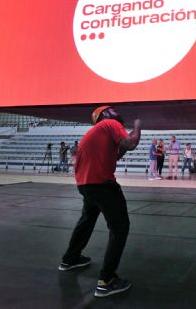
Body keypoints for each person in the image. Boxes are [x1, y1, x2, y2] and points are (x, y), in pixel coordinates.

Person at [59, 105, 142, 298]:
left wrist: (130, 137)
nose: (116, 112)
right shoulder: (110, 124)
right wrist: (138, 126)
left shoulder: (97, 132)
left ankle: (70, 259)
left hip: (86, 185)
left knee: (87, 219)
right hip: (102, 184)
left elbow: (119, 152)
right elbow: (130, 144)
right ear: (104, 115)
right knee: (120, 227)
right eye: (111, 109)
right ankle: (107, 280)